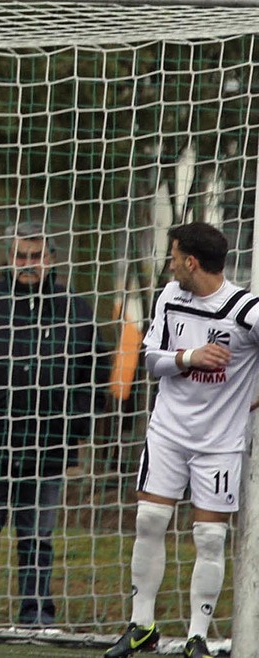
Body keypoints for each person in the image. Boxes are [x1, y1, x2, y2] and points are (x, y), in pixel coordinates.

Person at [0, 221, 110, 627]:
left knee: (37, 538)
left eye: (36, 256)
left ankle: (36, 616)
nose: (28, 264)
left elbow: (95, 373)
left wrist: (75, 428)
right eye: (20, 256)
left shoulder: (76, 309)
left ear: (51, 259)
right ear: (8, 259)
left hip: (49, 444)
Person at [104, 222, 259, 658]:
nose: (169, 264)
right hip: (168, 431)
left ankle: (197, 637)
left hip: (220, 443)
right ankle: (142, 626)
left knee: (209, 538)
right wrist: (190, 356)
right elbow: (152, 359)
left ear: (191, 262)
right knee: (149, 520)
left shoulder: (245, 309)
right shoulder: (171, 296)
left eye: (173, 256)